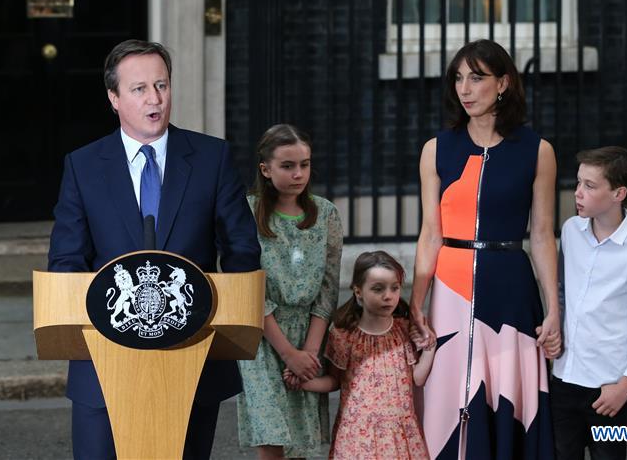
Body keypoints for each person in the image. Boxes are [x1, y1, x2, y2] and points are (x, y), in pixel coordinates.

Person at [47, 39, 261, 460]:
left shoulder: (210, 158)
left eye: (161, 85)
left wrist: (224, 308)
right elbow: (66, 261)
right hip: (103, 364)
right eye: (140, 88)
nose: (155, 99)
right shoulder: (84, 165)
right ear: (114, 98)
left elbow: (241, 250)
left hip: (193, 355)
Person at [409, 39, 561, 459]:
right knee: (449, 394)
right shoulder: (436, 149)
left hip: (511, 289)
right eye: (459, 78)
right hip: (451, 291)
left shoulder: (538, 151)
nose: (465, 88)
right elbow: (429, 233)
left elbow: (544, 234)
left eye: (477, 78)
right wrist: (416, 302)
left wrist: (554, 310)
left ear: (503, 84)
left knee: (506, 396)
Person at [551, 146, 627, 460]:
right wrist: (553, 329)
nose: (578, 193)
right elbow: (562, 293)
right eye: (578, 183)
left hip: (611, 387)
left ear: (619, 193)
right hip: (563, 380)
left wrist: (626, 386)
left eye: (589, 186)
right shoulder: (571, 231)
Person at [236, 124, 342, 459]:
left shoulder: (325, 214)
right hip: (264, 333)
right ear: (265, 169)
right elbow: (246, 286)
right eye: (287, 166)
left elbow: (328, 287)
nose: (299, 174)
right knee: (272, 431)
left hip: (308, 331)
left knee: (302, 436)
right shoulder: (247, 212)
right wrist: (288, 354)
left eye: (305, 164)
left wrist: (308, 354)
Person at [291, 250, 436, 459]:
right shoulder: (343, 336)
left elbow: (417, 378)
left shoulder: (404, 331)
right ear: (358, 292)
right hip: (358, 436)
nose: (388, 296)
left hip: (399, 436)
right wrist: (304, 383)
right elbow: (334, 381)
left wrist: (430, 347)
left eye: (394, 288)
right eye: (378, 289)